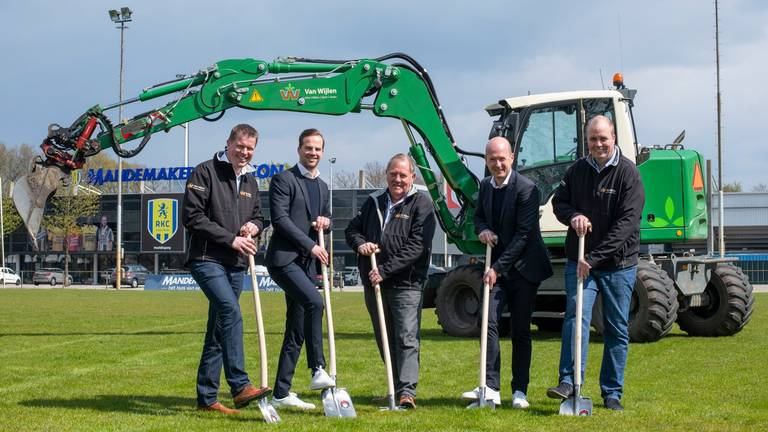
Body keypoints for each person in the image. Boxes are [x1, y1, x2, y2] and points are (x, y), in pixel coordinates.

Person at [546, 115, 645, 411]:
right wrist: (573, 215)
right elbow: (558, 203)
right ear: (586, 141)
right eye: (593, 139)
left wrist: (593, 258)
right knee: (576, 320)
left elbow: (626, 225)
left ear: (613, 137)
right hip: (581, 263)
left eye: (603, 138)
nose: (598, 144)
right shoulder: (576, 170)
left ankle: (612, 393)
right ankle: (568, 381)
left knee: (615, 328)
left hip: (618, 265)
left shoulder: (628, 174)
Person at [182, 123, 268, 415]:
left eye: (250, 149)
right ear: (229, 143)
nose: (244, 153)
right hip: (206, 259)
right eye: (240, 146)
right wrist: (231, 239)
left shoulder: (251, 180)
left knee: (219, 328)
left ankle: (206, 400)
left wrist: (255, 226)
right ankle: (240, 385)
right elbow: (192, 218)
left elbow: (259, 216)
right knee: (231, 312)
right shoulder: (204, 172)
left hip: (235, 264)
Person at [461, 137, 553, 409]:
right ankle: (491, 388)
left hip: (524, 269)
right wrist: (482, 230)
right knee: (487, 323)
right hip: (497, 268)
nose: (498, 164)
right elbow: (478, 216)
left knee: (521, 330)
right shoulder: (486, 187)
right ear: (487, 161)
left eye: (502, 158)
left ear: (512, 158)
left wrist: (496, 269)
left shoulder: (527, 189)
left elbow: (524, 235)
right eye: (492, 159)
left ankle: (520, 391)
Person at [345, 153, 436, 409]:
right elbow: (351, 230)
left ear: (412, 177)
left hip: (406, 283)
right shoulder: (374, 200)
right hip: (375, 283)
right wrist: (361, 244)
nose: (398, 179)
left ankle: (407, 392)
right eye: (393, 174)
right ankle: (394, 388)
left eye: (403, 175)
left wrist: (385, 269)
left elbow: (417, 246)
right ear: (386, 174)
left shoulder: (421, 204)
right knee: (384, 337)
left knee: (406, 338)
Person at [266, 128, 334, 411]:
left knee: (296, 328)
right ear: (299, 150)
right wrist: (310, 245)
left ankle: (281, 392)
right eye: (308, 148)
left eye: (318, 149)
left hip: (306, 265)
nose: (313, 153)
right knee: (315, 303)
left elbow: (326, 217)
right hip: (284, 261)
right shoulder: (283, 180)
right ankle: (318, 367)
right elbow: (281, 219)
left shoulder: (323, 186)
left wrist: (325, 223)